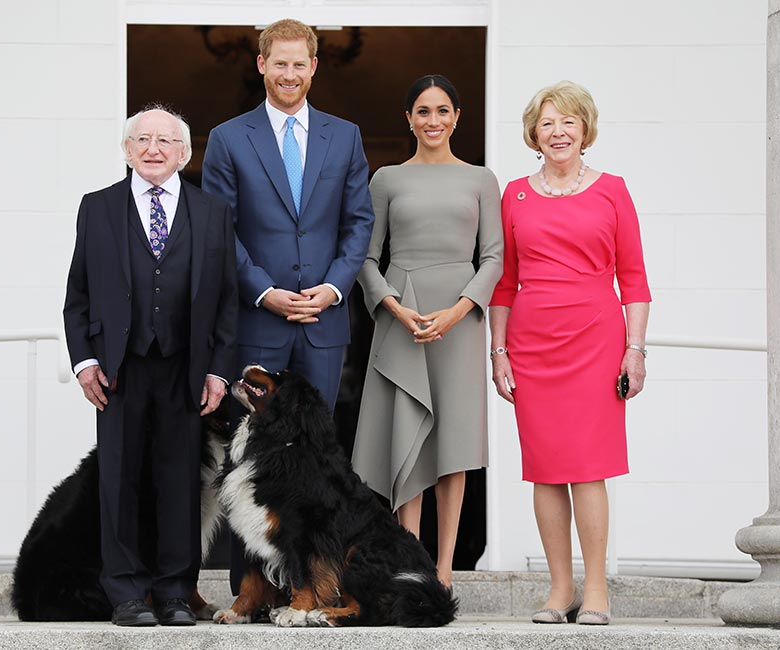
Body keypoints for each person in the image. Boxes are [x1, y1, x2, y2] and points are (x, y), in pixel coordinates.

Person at [201, 19, 375, 596]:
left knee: (317, 462)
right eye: (280, 63)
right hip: (257, 320)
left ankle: (314, 586)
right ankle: (251, 593)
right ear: (261, 65)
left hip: (324, 321)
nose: (290, 74)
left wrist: (333, 288)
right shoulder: (229, 137)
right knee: (249, 459)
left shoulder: (344, 136)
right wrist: (263, 291)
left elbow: (359, 224)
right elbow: (221, 231)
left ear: (314, 68)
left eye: (300, 64)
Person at [63, 107, 238, 626]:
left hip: (186, 366)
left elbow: (227, 299)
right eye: (142, 139)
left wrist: (218, 371)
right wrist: (85, 361)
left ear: (184, 153)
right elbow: (78, 294)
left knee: (180, 481)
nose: (153, 148)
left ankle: (176, 593)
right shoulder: (97, 208)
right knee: (119, 480)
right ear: (126, 149)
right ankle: (126, 595)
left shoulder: (213, 212)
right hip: (120, 366)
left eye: (165, 140)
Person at [488, 80, 651, 625]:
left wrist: (635, 350)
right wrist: (499, 352)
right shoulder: (514, 193)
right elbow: (504, 283)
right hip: (533, 345)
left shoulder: (613, 189)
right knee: (546, 469)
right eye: (548, 123)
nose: (558, 132)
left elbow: (635, 280)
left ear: (585, 131)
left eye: (569, 123)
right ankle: (560, 590)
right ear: (534, 133)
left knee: (589, 468)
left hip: (597, 342)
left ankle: (597, 589)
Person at [351, 74, 504, 588]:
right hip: (404, 315)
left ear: (457, 117)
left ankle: (444, 571)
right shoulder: (387, 179)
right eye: (423, 111)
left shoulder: (481, 179)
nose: (433, 120)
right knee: (407, 436)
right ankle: (409, 563)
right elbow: (365, 258)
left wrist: (459, 311)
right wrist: (394, 306)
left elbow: (494, 258)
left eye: (442, 110)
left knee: (453, 442)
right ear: (408, 119)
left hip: (458, 322)